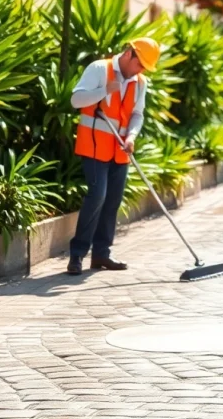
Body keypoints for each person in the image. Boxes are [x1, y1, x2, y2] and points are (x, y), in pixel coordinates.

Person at [66, 38, 159, 276]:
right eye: (140, 65)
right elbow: (76, 100)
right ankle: (77, 255)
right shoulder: (99, 69)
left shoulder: (140, 82)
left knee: (112, 202)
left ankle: (101, 255)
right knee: (97, 196)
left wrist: (132, 137)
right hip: (95, 147)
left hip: (120, 151)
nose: (141, 71)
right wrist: (103, 91)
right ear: (129, 54)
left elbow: (137, 114)